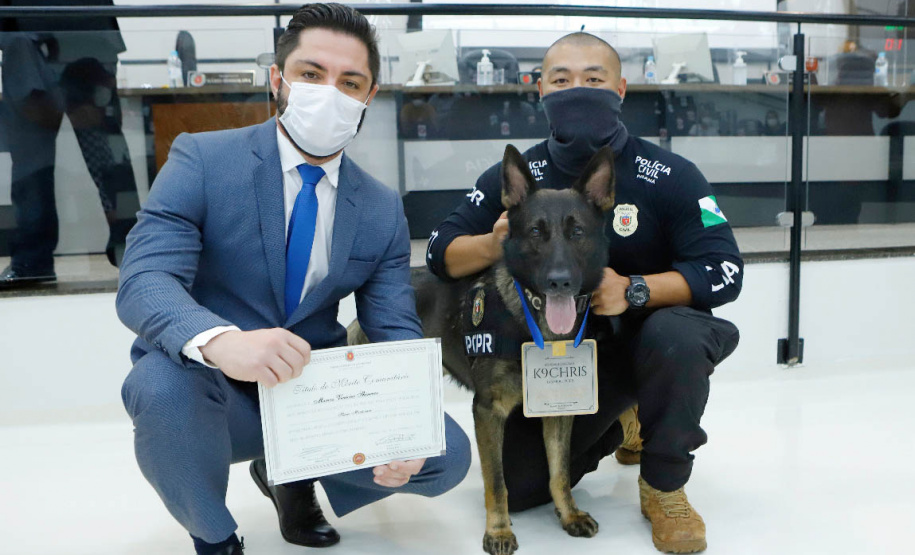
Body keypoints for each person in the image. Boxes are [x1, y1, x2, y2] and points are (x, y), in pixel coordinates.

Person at [117, 5, 470, 554]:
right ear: (279, 79)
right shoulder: (202, 159)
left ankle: (292, 471)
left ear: (368, 96)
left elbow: (394, 325)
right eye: (311, 74)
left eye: (349, 82)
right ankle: (214, 535)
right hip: (214, 386)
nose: (330, 92)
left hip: (314, 392)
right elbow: (145, 279)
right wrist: (221, 341)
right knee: (158, 390)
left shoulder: (379, 207)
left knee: (446, 455)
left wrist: (407, 420)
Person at [426, 32, 742, 554]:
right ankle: (625, 422)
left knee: (676, 337)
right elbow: (441, 250)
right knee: (526, 488)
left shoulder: (672, 175)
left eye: (593, 80)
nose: (577, 90)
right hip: (566, 358)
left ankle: (665, 485)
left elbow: (726, 269)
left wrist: (636, 290)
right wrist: (493, 239)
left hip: (649, 342)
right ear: (540, 90)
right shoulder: (517, 174)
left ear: (621, 88)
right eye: (561, 79)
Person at [0, 0, 140, 285]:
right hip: (23, 37)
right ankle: (31, 260)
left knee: (106, 153)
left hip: (85, 30)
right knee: (31, 158)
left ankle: (134, 252)